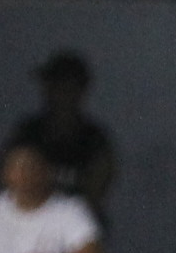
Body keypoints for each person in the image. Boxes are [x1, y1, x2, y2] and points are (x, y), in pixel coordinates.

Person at [10, 51, 118, 216]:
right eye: (52, 85)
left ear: (80, 90)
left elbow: (97, 190)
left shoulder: (95, 139)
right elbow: (11, 183)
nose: (58, 93)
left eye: (65, 86)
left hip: (77, 231)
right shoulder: (28, 134)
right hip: (31, 229)